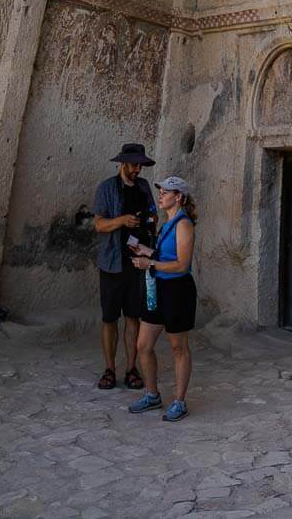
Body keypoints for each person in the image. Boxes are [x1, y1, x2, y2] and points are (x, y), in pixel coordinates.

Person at [127, 175, 198, 422]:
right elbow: (166, 256)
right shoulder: (167, 223)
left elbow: (181, 265)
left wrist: (151, 263)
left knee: (179, 347)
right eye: (160, 191)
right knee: (143, 346)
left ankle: (179, 401)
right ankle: (153, 394)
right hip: (159, 289)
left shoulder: (183, 224)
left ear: (178, 196)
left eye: (166, 192)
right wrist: (147, 252)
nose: (161, 195)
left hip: (178, 291)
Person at [92, 142, 157, 390]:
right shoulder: (107, 188)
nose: (137, 169)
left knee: (133, 317)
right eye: (133, 165)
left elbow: (153, 214)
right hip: (112, 263)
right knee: (110, 318)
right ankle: (109, 368)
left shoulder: (143, 187)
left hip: (137, 262)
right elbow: (99, 225)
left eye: (140, 165)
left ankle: (131, 368)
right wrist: (121, 221)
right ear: (123, 163)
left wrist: (149, 222)